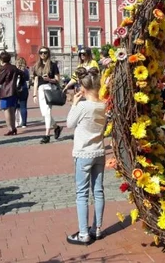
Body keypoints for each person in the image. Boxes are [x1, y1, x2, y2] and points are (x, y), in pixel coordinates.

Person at [66, 67, 107, 245]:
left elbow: (69, 124)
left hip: (83, 153)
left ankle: (83, 233)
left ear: (82, 89)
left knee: (82, 193)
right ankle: (96, 228)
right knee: (98, 191)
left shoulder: (83, 106)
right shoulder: (103, 105)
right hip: (99, 151)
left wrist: (74, 103)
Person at [32, 46, 62, 144]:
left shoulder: (53, 65)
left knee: (47, 112)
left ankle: (47, 135)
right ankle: (56, 127)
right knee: (44, 114)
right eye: (41, 53)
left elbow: (57, 79)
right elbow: (36, 81)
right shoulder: (37, 66)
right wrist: (34, 94)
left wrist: (49, 79)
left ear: (48, 54)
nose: (43, 54)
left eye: (45, 52)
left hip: (49, 88)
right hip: (41, 90)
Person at [0, 51, 20, 136]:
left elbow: (0, 81)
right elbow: (22, 74)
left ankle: (10, 128)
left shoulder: (4, 68)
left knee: (6, 110)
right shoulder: (13, 67)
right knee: (12, 109)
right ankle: (14, 128)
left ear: (1, 59)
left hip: (5, 91)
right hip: (13, 91)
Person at [15, 57, 30, 128]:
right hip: (24, 88)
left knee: (15, 107)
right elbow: (27, 79)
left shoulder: (15, 70)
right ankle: (24, 123)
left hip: (15, 89)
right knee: (23, 106)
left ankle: (16, 122)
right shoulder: (26, 70)